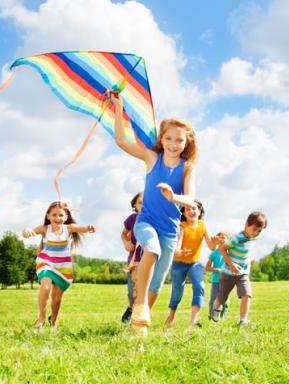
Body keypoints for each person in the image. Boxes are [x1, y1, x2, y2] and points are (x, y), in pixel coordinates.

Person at [110, 93, 198, 336]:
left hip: (169, 231)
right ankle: (139, 306)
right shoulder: (152, 158)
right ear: (161, 139)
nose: (173, 143)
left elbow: (190, 198)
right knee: (152, 249)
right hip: (146, 222)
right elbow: (121, 141)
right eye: (168, 138)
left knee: (157, 283)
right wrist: (119, 108)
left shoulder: (187, 167)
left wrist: (174, 197)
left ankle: (140, 321)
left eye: (179, 140)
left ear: (187, 142)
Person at [22, 201, 95, 331]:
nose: (57, 218)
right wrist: (27, 231)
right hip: (46, 263)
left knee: (56, 300)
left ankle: (53, 321)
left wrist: (89, 227)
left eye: (61, 215)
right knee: (45, 286)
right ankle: (41, 319)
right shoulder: (45, 228)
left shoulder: (69, 228)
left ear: (66, 217)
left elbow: (82, 228)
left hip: (63, 267)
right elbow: (30, 231)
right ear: (48, 216)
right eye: (54, 215)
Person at [164, 200, 219, 328]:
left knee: (200, 287)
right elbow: (178, 244)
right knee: (177, 293)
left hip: (195, 264)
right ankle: (171, 316)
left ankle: (193, 323)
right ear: (183, 212)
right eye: (187, 209)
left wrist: (215, 242)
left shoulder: (203, 226)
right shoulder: (182, 226)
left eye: (194, 208)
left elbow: (211, 246)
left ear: (200, 212)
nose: (191, 211)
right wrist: (178, 251)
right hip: (179, 264)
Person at [213, 211, 268, 326]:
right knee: (222, 298)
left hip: (243, 274)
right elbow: (222, 249)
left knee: (247, 294)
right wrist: (232, 265)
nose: (256, 233)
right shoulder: (236, 238)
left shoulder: (252, 238)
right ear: (247, 224)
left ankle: (243, 320)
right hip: (228, 273)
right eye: (254, 229)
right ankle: (217, 308)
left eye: (259, 231)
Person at [121, 192, 143, 324]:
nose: (143, 205)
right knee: (131, 292)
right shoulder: (132, 218)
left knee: (139, 291)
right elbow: (123, 234)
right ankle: (131, 308)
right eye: (140, 202)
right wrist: (126, 243)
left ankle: (137, 317)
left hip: (147, 260)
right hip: (133, 260)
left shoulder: (153, 218)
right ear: (135, 205)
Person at [205, 231, 230, 321]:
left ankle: (222, 318)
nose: (222, 239)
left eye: (224, 237)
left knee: (225, 301)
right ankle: (212, 317)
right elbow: (207, 267)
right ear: (217, 239)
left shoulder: (229, 253)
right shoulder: (214, 253)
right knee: (213, 300)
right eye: (221, 237)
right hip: (216, 281)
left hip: (226, 281)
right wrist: (217, 270)